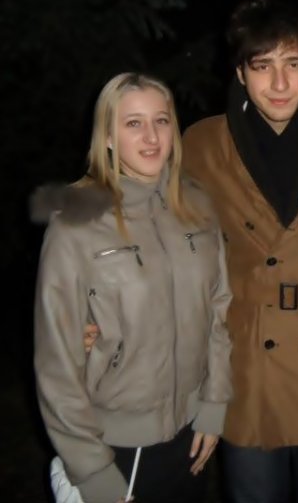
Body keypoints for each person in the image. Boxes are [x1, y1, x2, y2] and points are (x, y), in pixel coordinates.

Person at [181, 0, 298, 503]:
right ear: (240, 74)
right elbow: (163, 238)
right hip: (246, 367)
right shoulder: (201, 144)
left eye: (294, 64)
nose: (280, 83)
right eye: (263, 66)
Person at [32, 72, 232, 503]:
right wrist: (91, 468)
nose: (151, 137)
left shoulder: (197, 204)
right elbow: (56, 360)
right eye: (133, 123)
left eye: (161, 120)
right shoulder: (76, 221)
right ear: (107, 136)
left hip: (190, 432)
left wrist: (214, 406)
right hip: (115, 443)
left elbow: (218, 312)